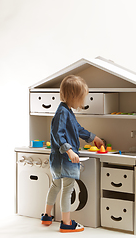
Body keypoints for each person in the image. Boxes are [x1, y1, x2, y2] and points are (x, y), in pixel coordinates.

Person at [41, 75, 104, 232]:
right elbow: (58, 134)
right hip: (64, 159)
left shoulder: (66, 111)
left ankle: (47, 216)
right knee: (68, 189)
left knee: (55, 186)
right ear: (73, 96)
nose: (82, 103)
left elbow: (78, 129)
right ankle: (66, 223)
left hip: (57, 159)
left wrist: (93, 137)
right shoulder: (63, 113)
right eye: (81, 98)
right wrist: (69, 151)